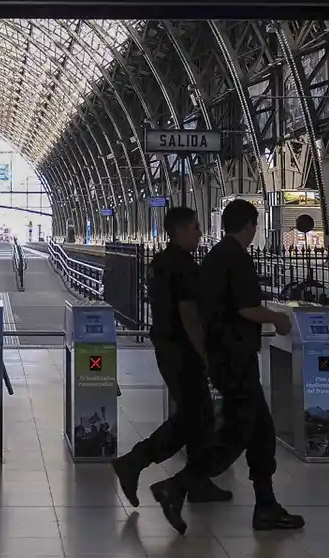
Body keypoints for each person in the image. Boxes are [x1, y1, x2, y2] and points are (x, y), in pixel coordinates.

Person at [149, 198, 305, 534]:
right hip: (234, 359)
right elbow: (247, 308)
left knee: (259, 430)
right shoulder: (236, 257)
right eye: (255, 225)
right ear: (249, 225)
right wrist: (278, 319)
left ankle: (266, 505)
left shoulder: (216, 256)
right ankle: (177, 487)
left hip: (226, 358)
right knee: (237, 433)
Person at [111, 207, 232, 508]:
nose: (200, 233)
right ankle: (136, 461)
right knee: (194, 415)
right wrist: (203, 353)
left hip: (167, 346)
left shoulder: (160, 262)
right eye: (195, 227)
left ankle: (196, 480)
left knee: (198, 415)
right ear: (178, 230)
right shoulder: (182, 265)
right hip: (183, 350)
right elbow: (189, 314)